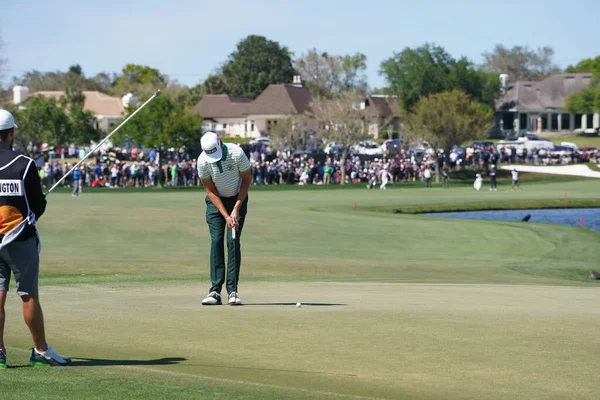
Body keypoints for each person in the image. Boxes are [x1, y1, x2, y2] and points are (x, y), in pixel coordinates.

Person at [0, 109, 71, 368]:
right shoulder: (25, 164)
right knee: (29, 295)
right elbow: (37, 206)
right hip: (19, 239)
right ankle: (40, 351)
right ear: (11, 133)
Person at [198, 132, 251, 306]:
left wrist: (235, 209)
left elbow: (246, 181)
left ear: (220, 143)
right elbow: (210, 191)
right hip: (216, 204)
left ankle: (233, 291)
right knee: (216, 241)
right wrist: (226, 215)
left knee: (233, 242)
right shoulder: (202, 161)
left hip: (237, 199)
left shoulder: (237, 153)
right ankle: (215, 291)